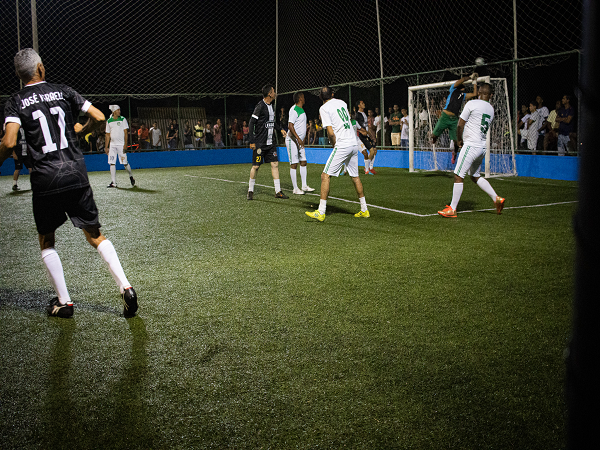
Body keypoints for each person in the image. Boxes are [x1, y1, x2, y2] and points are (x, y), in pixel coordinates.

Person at [0, 48, 138, 318]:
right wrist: (82, 131)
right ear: (40, 67)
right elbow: (99, 117)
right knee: (95, 235)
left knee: (47, 240)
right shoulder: (64, 90)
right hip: (75, 171)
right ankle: (126, 288)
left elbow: (9, 142)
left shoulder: (16, 101)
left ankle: (64, 302)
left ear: (19, 75)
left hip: (45, 177)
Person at [438, 82, 505, 218]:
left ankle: (452, 209)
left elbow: (460, 124)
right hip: (481, 147)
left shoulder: (472, 104)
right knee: (474, 176)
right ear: (490, 95)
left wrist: (458, 140)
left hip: (471, 145)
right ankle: (496, 198)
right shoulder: (491, 109)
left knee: (458, 175)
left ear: (479, 93)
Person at [305, 86, 369, 222]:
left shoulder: (323, 108)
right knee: (355, 176)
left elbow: (330, 132)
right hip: (353, 142)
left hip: (343, 144)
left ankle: (321, 211)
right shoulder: (342, 103)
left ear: (321, 98)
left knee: (325, 176)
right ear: (332, 94)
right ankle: (364, 209)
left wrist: (334, 145)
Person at [247, 84, 288, 200]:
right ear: (270, 93)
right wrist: (252, 141)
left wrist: (280, 129)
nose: (275, 93)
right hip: (260, 144)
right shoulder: (260, 106)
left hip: (271, 143)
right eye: (274, 91)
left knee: (275, 164)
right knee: (255, 166)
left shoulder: (271, 106)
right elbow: (251, 123)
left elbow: (272, 122)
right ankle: (250, 191)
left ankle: (278, 191)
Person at [431, 73, 479, 164]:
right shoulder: (452, 89)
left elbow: (474, 94)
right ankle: (435, 137)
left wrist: (474, 82)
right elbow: (461, 80)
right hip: (445, 117)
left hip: (454, 120)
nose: (463, 83)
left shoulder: (463, 95)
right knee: (433, 136)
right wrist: (470, 77)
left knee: (457, 141)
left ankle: (455, 153)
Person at [285, 91, 315, 195]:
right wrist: (298, 138)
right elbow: (290, 126)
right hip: (292, 140)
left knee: (303, 161)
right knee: (294, 164)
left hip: (299, 142)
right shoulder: (294, 109)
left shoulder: (301, 110)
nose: (304, 98)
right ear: (300, 99)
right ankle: (295, 188)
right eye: (303, 96)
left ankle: (304, 186)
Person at [105, 105, 135, 187]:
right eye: (118, 110)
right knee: (112, 163)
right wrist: (106, 147)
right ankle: (114, 183)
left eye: (119, 110)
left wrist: (125, 144)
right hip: (112, 146)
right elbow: (107, 135)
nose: (119, 111)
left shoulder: (123, 119)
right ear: (114, 111)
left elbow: (126, 133)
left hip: (121, 146)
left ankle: (131, 176)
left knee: (125, 163)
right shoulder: (109, 121)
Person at [354, 100, 377, 174]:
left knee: (374, 151)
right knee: (371, 151)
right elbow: (359, 127)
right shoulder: (358, 115)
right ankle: (368, 168)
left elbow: (366, 126)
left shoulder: (364, 114)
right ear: (359, 106)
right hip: (362, 136)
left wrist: (371, 135)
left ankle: (370, 167)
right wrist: (364, 132)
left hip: (367, 135)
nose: (364, 104)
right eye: (362, 103)